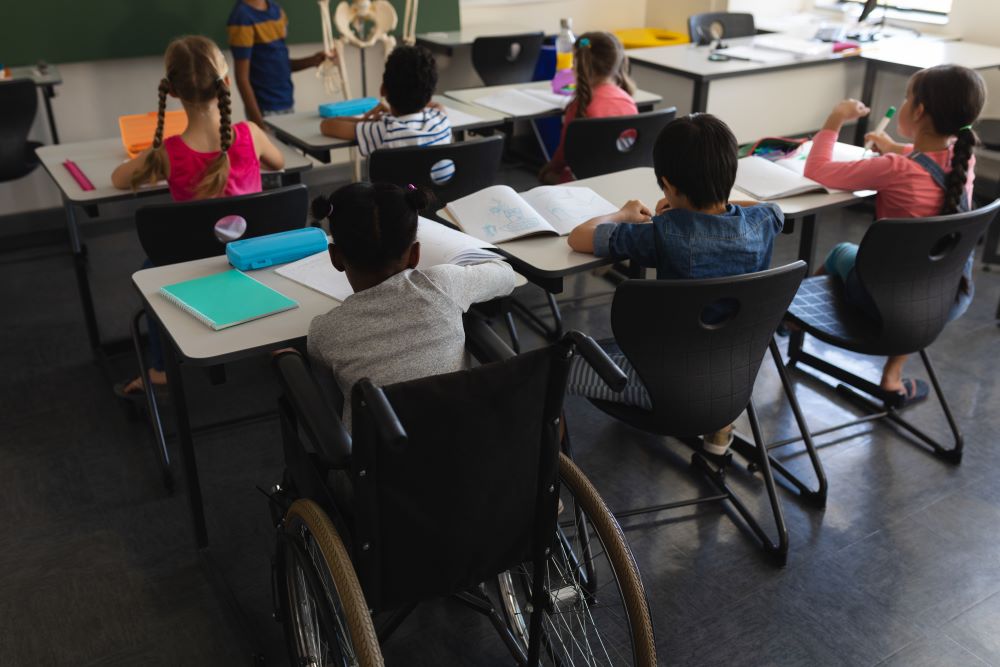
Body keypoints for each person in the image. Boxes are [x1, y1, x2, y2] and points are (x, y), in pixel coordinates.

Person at [566, 113, 784, 460]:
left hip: (661, 388)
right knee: (716, 337)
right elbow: (770, 209)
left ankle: (554, 477)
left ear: (666, 184)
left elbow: (580, 237)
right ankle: (718, 439)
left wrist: (623, 214)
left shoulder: (662, 234)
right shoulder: (763, 223)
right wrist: (712, 206)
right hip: (733, 378)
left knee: (555, 365)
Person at [111, 35, 284, 398]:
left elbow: (118, 179)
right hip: (256, 260)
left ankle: (161, 369)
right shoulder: (249, 134)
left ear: (171, 92)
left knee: (148, 269)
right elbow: (279, 163)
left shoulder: (168, 153)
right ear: (225, 82)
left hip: (192, 267)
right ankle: (281, 342)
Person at [803, 65, 986, 407]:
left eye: (906, 98)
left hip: (883, 303)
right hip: (947, 297)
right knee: (920, 275)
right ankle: (892, 378)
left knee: (842, 250)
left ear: (918, 111)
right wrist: (893, 146)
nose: (903, 103)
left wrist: (835, 119)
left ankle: (793, 321)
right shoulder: (964, 158)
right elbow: (925, 159)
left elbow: (816, 171)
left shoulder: (895, 169)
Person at [308, 182, 516, 429]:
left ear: (335, 257)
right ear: (416, 254)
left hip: (382, 464)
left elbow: (326, 387)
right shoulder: (444, 284)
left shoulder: (324, 331)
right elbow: (506, 275)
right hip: (466, 450)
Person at [319, 45, 451, 167]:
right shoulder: (441, 118)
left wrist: (365, 120)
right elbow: (436, 105)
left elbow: (326, 125)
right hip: (443, 192)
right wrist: (415, 96)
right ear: (430, 92)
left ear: (383, 89)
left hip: (407, 190)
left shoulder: (384, 130)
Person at [539, 31, 638, 185]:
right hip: (620, 178)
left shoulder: (582, 105)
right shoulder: (629, 101)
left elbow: (564, 155)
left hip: (583, 182)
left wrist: (547, 169)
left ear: (579, 64)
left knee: (547, 175)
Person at [227, 0, 332, 127]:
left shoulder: (276, 11)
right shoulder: (242, 17)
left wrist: (313, 60)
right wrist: (259, 123)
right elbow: (242, 78)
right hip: (264, 109)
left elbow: (280, 64)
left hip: (286, 102)